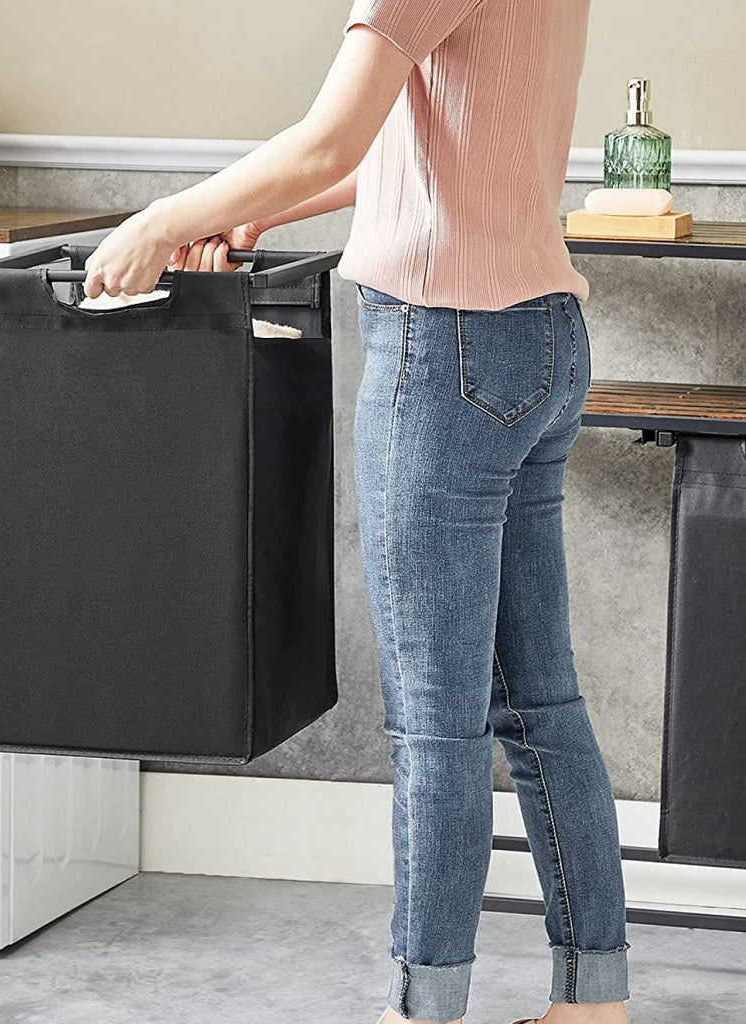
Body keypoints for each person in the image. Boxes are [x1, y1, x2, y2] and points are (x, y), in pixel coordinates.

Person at [83, 2, 631, 1023]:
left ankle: (422, 1011)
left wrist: (160, 220)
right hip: (544, 339)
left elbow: (331, 134)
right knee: (540, 704)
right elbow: (431, 139)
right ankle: (593, 999)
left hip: (444, 349)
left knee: (437, 722)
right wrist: (258, 211)